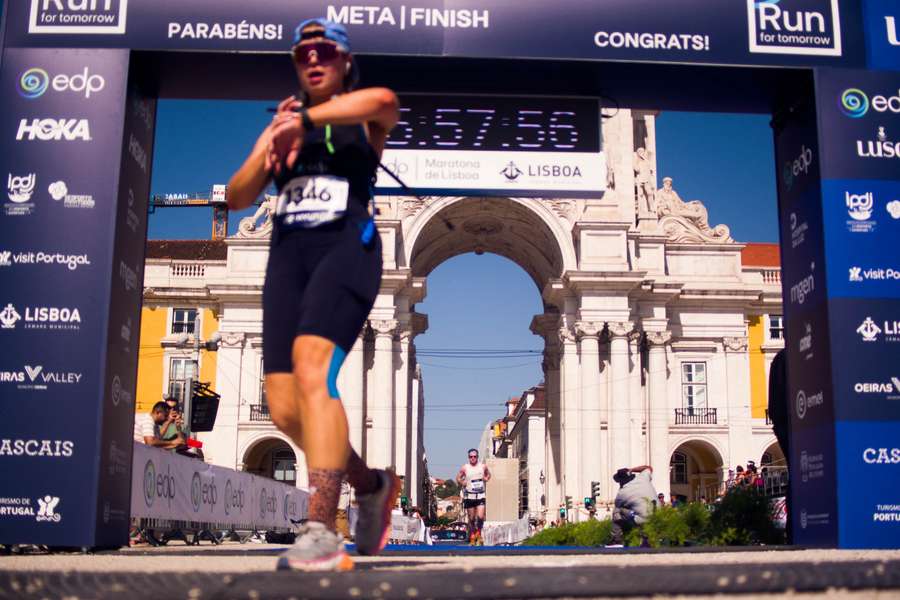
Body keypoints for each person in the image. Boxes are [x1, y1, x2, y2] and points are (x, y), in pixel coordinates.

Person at [227, 17, 401, 572]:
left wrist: (303, 118)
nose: (313, 59)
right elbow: (237, 195)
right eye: (303, 53)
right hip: (288, 256)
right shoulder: (281, 123)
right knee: (282, 406)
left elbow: (385, 100)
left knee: (313, 371)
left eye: (325, 51)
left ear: (345, 61)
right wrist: (272, 142)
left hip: (346, 244)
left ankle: (322, 529)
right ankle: (370, 485)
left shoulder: (361, 112)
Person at [609, 465, 657, 547]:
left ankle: (616, 540)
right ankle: (646, 538)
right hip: (659, 515)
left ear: (621, 481)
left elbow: (619, 506)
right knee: (640, 508)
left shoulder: (622, 493)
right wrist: (632, 470)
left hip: (642, 519)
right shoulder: (643, 478)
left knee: (617, 512)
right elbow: (649, 468)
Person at [456, 448, 491, 545]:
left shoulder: (483, 466)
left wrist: (486, 478)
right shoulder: (465, 467)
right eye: (471, 457)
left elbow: (489, 475)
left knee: (480, 517)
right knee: (471, 519)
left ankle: (478, 536)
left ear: (477, 457)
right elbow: (458, 477)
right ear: (468, 458)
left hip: (480, 495)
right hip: (469, 496)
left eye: (475, 456)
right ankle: (472, 536)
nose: (473, 458)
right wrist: (463, 482)